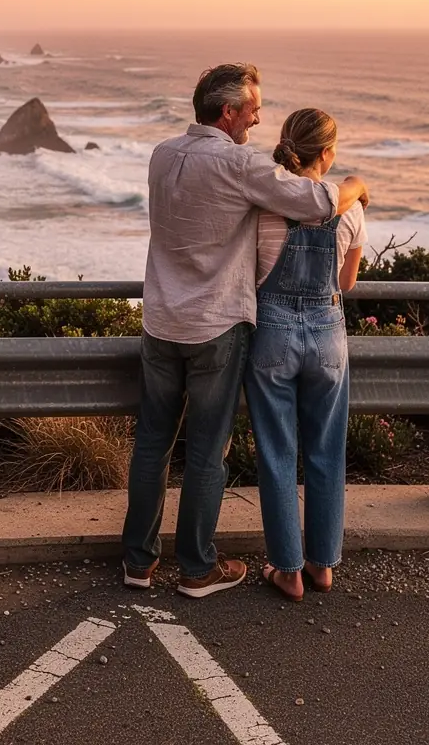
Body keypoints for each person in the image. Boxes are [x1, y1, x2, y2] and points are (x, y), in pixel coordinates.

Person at [121, 63, 370, 599]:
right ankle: (195, 568)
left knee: (152, 446)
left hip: (161, 320)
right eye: (252, 109)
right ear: (229, 111)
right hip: (216, 326)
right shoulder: (239, 164)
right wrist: (355, 185)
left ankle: (137, 564)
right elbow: (319, 203)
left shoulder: (162, 154)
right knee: (208, 451)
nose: (258, 118)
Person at [245, 108, 366, 602]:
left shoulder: (263, 206)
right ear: (329, 154)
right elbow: (347, 282)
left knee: (276, 454)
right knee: (325, 451)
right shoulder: (351, 209)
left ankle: (287, 570)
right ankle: (322, 565)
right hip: (327, 330)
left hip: (272, 329)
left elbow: (246, 272)